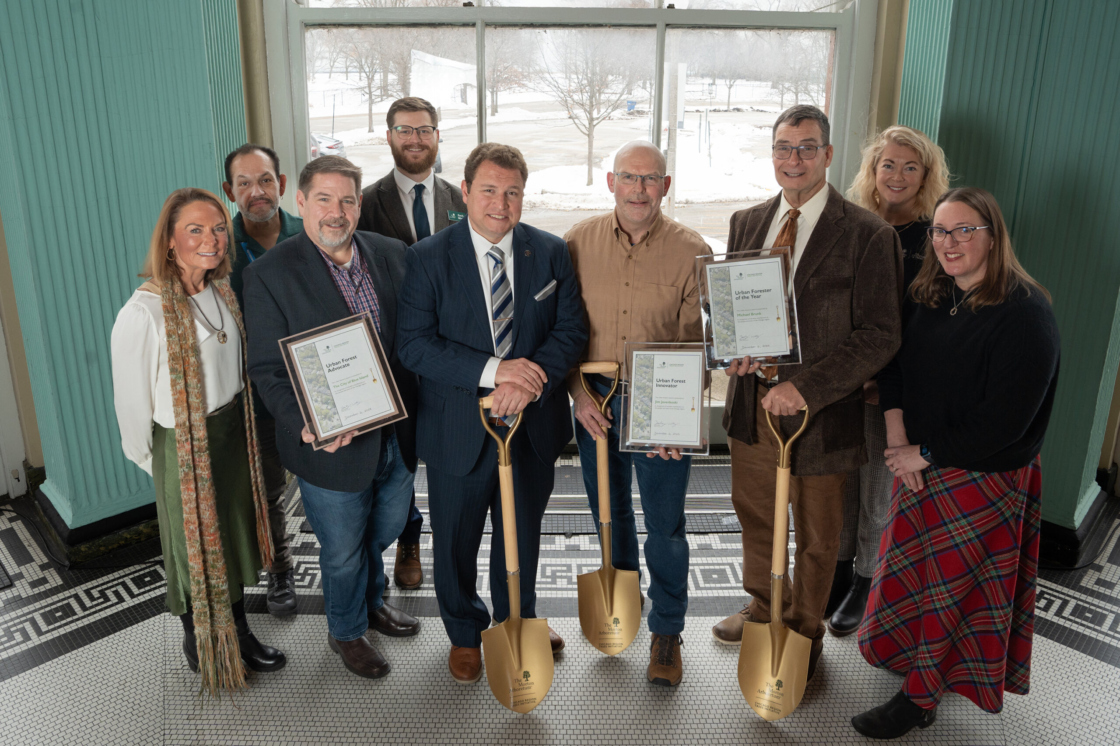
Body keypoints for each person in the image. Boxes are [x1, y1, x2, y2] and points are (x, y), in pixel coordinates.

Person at [852, 187, 1059, 739]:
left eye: (965, 230)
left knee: (954, 590)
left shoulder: (1026, 312)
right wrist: (900, 442)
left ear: (993, 236)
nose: (950, 243)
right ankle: (914, 658)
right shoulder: (929, 292)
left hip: (982, 475)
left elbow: (1005, 423)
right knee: (913, 575)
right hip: (917, 462)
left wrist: (923, 453)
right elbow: (893, 365)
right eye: (942, 231)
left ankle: (920, 700)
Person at [710, 105, 903, 683]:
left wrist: (806, 387)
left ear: (828, 155)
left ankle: (804, 631)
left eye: (806, 148)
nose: (793, 159)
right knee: (757, 519)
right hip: (752, 406)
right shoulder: (747, 221)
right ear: (772, 154)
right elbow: (728, 303)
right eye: (783, 148)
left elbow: (881, 335)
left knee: (818, 535)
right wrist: (728, 343)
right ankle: (764, 610)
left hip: (821, 414)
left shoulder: (869, 234)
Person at [397, 143, 587, 684]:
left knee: (521, 536)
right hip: (459, 429)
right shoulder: (428, 257)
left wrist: (527, 383)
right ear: (465, 192)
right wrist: (493, 371)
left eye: (512, 192)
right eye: (488, 190)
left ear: (523, 195)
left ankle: (516, 619)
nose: (500, 204)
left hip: (531, 427)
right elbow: (413, 344)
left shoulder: (550, 252)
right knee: (456, 540)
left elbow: (570, 331)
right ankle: (464, 631)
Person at [243, 156, 421, 680]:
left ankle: (372, 602)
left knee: (384, 530)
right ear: (300, 203)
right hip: (332, 443)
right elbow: (267, 368)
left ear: (359, 204)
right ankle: (346, 630)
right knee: (342, 548)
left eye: (347, 200)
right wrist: (304, 422)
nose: (336, 212)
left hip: (396, 431)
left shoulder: (392, 255)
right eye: (323, 199)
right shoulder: (269, 274)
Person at [111, 188, 286, 696]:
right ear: (169, 242)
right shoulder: (141, 314)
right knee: (195, 550)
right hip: (182, 448)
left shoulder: (222, 290)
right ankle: (202, 639)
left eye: (216, 229)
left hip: (232, 433)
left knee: (230, 539)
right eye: (195, 230)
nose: (210, 240)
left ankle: (242, 631)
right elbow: (132, 411)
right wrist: (168, 469)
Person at [564, 140, 711, 687]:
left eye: (651, 179)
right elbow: (561, 331)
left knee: (666, 525)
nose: (640, 189)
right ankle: (621, 605)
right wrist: (576, 392)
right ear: (610, 182)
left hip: (660, 401)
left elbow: (700, 342)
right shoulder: (577, 242)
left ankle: (667, 630)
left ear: (666, 186)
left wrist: (679, 420)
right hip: (594, 397)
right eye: (629, 177)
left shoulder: (691, 249)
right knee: (611, 512)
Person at [826, 126, 950, 636]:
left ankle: (865, 579)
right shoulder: (855, 228)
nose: (897, 176)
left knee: (879, 488)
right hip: (842, 381)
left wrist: (888, 382)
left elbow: (929, 323)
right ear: (872, 174)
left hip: (892, 388)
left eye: (909, 167)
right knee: (840, 483)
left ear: (925, 178)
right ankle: (833, 571)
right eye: (888, 165)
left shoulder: (933, 239)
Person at [356, 96, 467, 591]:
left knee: (446, 451)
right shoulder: (364, 202)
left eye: (425, 130)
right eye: (405, 130)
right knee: (397, 460)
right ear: (389, 137)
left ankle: (453, 542)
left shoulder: (461, 200)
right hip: (389, 353)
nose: (416, 139)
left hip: (450, 354)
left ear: (438, 136)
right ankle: (407, 536)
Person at [221, 143, 305, 618]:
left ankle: (349, 571)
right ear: (229, 192)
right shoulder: (220, 248)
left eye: (266, 180)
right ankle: (281, 569)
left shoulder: (307, 233)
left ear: (283, 185)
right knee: (269, 487)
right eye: (245, 183)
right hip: (254, 391)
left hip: (316, 384)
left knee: (332, 483)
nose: (258, 192)